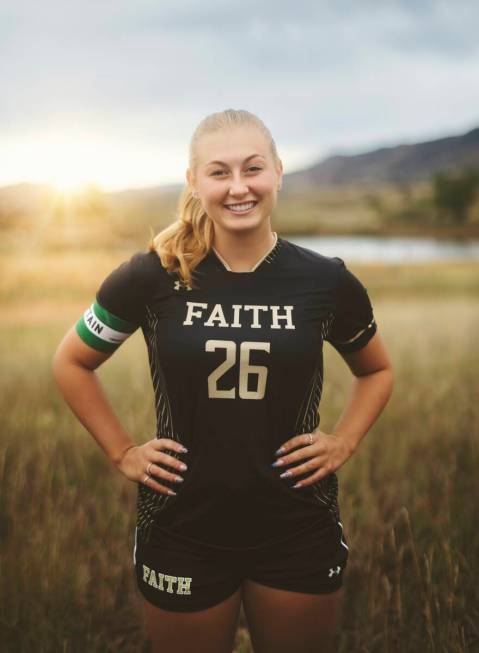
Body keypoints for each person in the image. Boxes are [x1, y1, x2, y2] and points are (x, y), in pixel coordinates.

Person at [52, 108, 394, 653]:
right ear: (194, 181)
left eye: (253, 169)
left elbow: (376, 369)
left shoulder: (325, 280)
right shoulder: (153, 274)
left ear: (279, 172)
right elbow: (71, 362)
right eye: (219, 172)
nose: (239, 187)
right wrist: (122, 452)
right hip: (182, 526)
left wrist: (345, 440)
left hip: (297, 524)